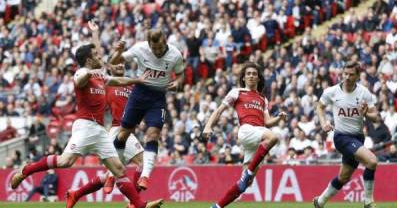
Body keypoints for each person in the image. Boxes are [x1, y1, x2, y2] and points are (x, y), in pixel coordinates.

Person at [10, 21, 163, 208]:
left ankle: (140, 205)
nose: (101, 57)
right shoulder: (84, 72)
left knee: (118, 169)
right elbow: (80, 77)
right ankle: (26, 171)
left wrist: (137, 79)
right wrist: (87, 73)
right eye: (97, 56)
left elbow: (116, 78)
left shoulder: (100, 76)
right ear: (89, 61)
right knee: (66, 161)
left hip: (99, 130)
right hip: (84, 126)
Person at [202, 62, 287, 208]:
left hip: (257, 135)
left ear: (259, 78)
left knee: (245, 185)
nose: (251, 76)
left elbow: (267, 122)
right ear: (244, 78)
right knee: (273, 137)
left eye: (254, 74)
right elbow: (219, 111)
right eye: (248, 74)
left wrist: (279, 117)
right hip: (247, 130)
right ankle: (248, 172)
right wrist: (208, 126)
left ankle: (216, 206)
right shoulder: (237, 92)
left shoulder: (263, 99)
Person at [109, 29, 184, 190]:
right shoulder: (140, 48)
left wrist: (178, 83)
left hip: (157, 98)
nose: (157, 51)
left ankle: (145, 176)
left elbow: (180, 74)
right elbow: (114, 62)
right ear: (149, 44)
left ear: (165, 42)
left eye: (159, 47)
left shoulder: (175, 54)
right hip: (139, 94)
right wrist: (118, 51)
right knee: (122, 135)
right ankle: (112, 174)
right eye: (153, 48)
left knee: (153, 134)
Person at [65, 63, 146, 208]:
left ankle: (76, 193)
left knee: (132, 167)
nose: (120, 65)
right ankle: (134, 203)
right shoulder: (107, 83)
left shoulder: (130, 86)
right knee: (135, 165)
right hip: (117, 129)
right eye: (117, 63)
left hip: (128, 131)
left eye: (123, 63)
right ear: (111, 67)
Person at [313, 61, 381, 208]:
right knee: (372, 161)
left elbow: (376, 117)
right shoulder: (331, 91)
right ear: (342, 73)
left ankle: (320, 201)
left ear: (357, 76)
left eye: (351, 74)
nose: (347, 77)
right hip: (341, 137)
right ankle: (368, 201)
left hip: (358, 137)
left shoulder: (364, 92)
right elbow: (320, 107)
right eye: (345, 74)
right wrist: (324, 122)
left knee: (343, 177)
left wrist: (366, 115)